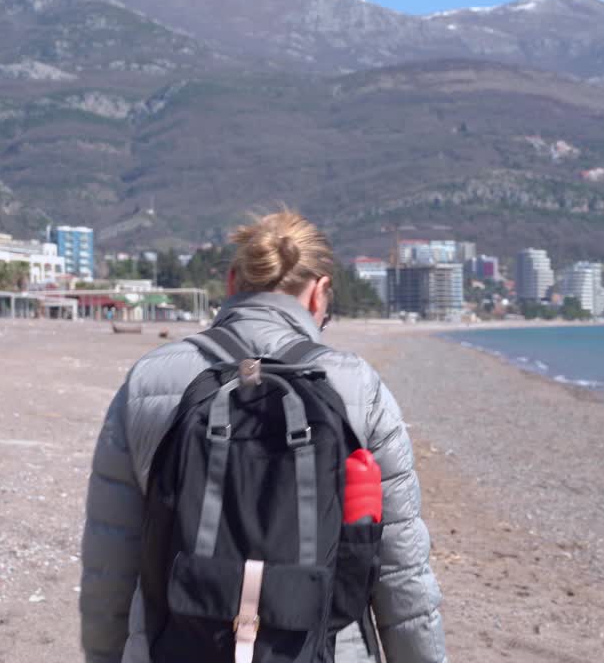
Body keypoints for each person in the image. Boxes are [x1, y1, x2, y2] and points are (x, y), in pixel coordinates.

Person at [79, 210, 446, 662]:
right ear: (319, 294)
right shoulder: (359, 389)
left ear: (232, 283)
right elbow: (401, 574)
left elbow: (109, 564)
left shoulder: (149, 382)